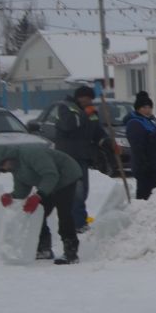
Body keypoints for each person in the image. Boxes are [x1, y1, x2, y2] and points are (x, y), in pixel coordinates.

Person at [0, 139, 84, 264]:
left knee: (64, 213)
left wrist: (38, 195)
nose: (4, 168)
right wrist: (11, 196)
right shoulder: (15, 168)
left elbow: (51, 174)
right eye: (1, 167)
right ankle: (44, 249)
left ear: (7, 157)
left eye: (3, 164)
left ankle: (71, 253)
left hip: (66, 177)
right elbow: (22, 190)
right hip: (49, 183)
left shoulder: (31, 154)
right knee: (38, 213)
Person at [53, 84, 111, 228]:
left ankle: (77, 220)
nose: (87, 101)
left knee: (83, 190)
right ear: (78, 97)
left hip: (83, 155)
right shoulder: (65, 108)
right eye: (85, 98)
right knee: (76, 191)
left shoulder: (90, 112)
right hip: (68, 156)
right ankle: (78, 223)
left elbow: (96, 131)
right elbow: (69, 125)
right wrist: (86, 113)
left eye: (90, 98)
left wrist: (107, 142)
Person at [124, 91, 156, 201]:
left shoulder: (149, 122)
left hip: (153, 167)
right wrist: (144, 165)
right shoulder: (134, 123)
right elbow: (137, 147)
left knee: (153, 196)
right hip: (144, 168)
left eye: (149, 107)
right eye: (144, 107)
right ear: (138, 109)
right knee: (144, 196)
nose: (147, 110)